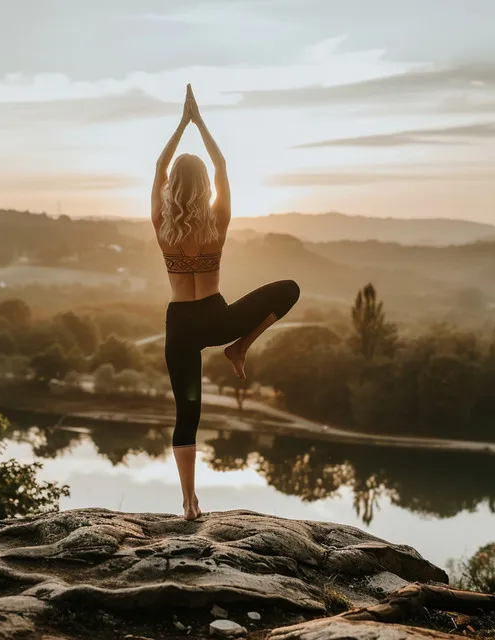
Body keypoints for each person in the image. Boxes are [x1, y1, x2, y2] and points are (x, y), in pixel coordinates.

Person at [151, 84, 300, 520]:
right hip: (218, 318)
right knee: (288, 288)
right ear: (203, 188)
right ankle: (240, 346)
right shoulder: (217, 221)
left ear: (174, 185)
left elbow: (160, 165)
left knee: (187, 413)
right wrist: (201, 123)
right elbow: (221, 165)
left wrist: (181, 124)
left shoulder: (163, 226)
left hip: (180, 324)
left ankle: (189, 503)